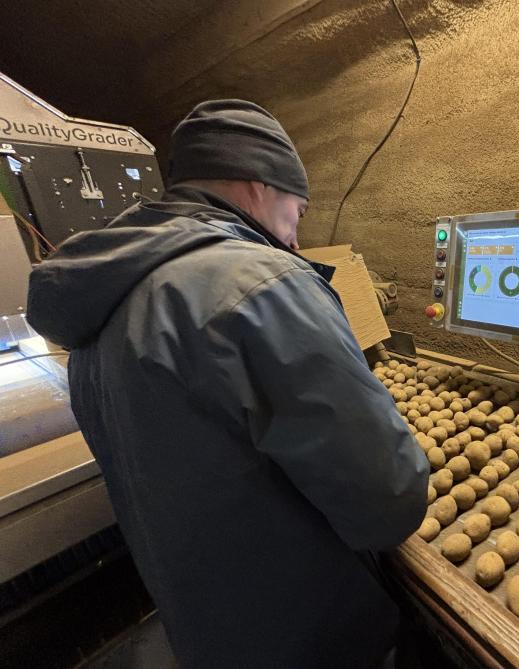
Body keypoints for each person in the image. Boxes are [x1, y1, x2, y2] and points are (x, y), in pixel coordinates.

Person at [27, 100, 429, 668]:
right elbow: (387, 504)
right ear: (259, 183)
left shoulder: (96, 303)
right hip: (314, 638)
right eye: (299, 208)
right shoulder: (263, 283)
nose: (295, 234)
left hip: (209, 631)